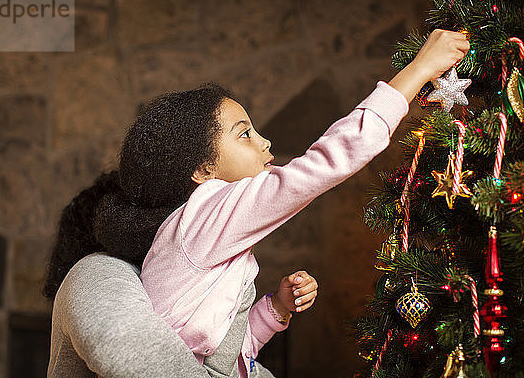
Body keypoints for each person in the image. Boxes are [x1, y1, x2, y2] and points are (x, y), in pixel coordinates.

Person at [43, 28, 469, 377]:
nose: (265, 142)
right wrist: (416, 72)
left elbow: (219, 355)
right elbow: (324, 165)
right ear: (203, 170)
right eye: (244, 133)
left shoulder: (219, 253)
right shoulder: (205, 213)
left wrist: (274, 311)